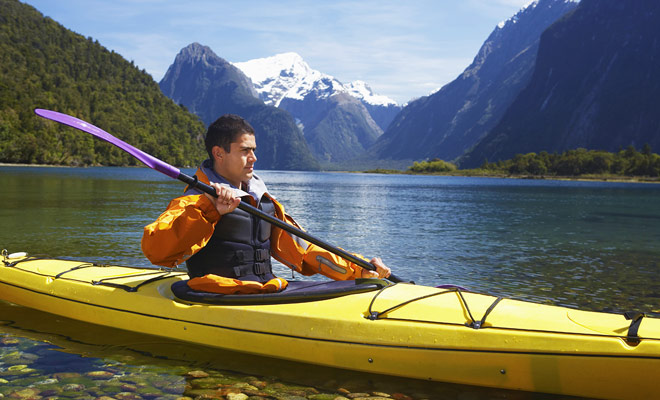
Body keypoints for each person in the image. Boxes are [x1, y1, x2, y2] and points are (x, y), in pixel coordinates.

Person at [141, 114, 390, 292]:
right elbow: (156, 250)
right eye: (245, 151)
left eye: (254, 150)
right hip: (217, 293)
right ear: (219, 153)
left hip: (265, 290)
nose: (254, 158)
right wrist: (209, 209)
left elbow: (304, 250)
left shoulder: (265, 203)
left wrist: (359, 270)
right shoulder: (194, 201)